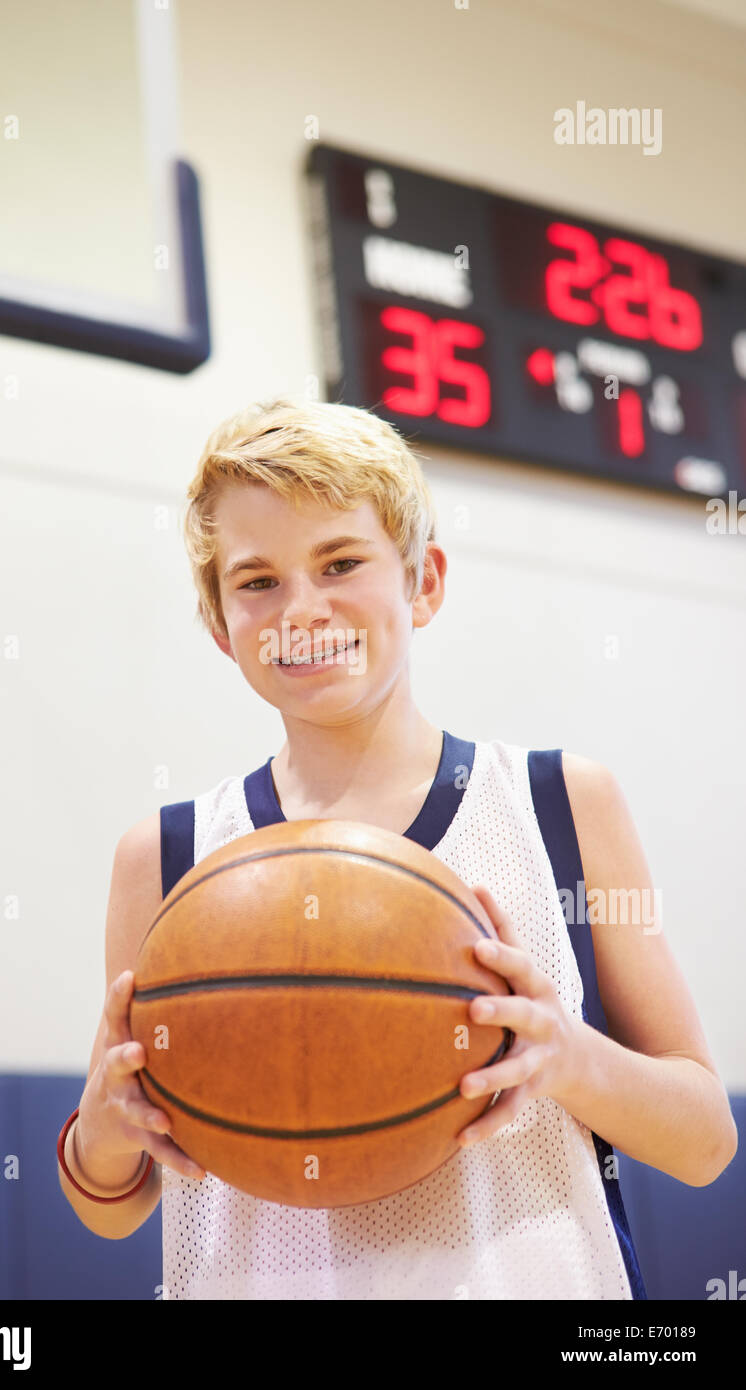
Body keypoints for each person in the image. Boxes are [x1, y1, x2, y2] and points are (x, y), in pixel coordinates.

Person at [57, 396, 737, 1298]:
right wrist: (102, 1130)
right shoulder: (166, 856)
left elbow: (704, 1144)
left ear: (424, 584)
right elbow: (112, 1203)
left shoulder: (563, 804)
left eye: (341, 562)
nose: (302, 606)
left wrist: (570, 1057)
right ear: (220, 625)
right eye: (256, 580)